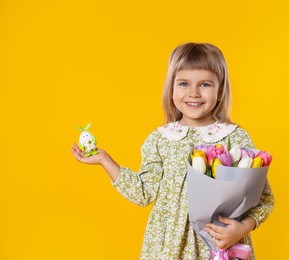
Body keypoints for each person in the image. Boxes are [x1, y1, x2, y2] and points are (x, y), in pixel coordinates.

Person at [71, 42, 275, 259]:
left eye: (205, 84)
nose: (194, 93)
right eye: (184, 83)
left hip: (217, 246)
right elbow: (143, 194)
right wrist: (104, 160)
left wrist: (242, 229)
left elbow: (264, 199)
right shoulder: (160, 140)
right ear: (171, 88)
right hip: (169, 249)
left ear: (220, 89)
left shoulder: (234, 137)